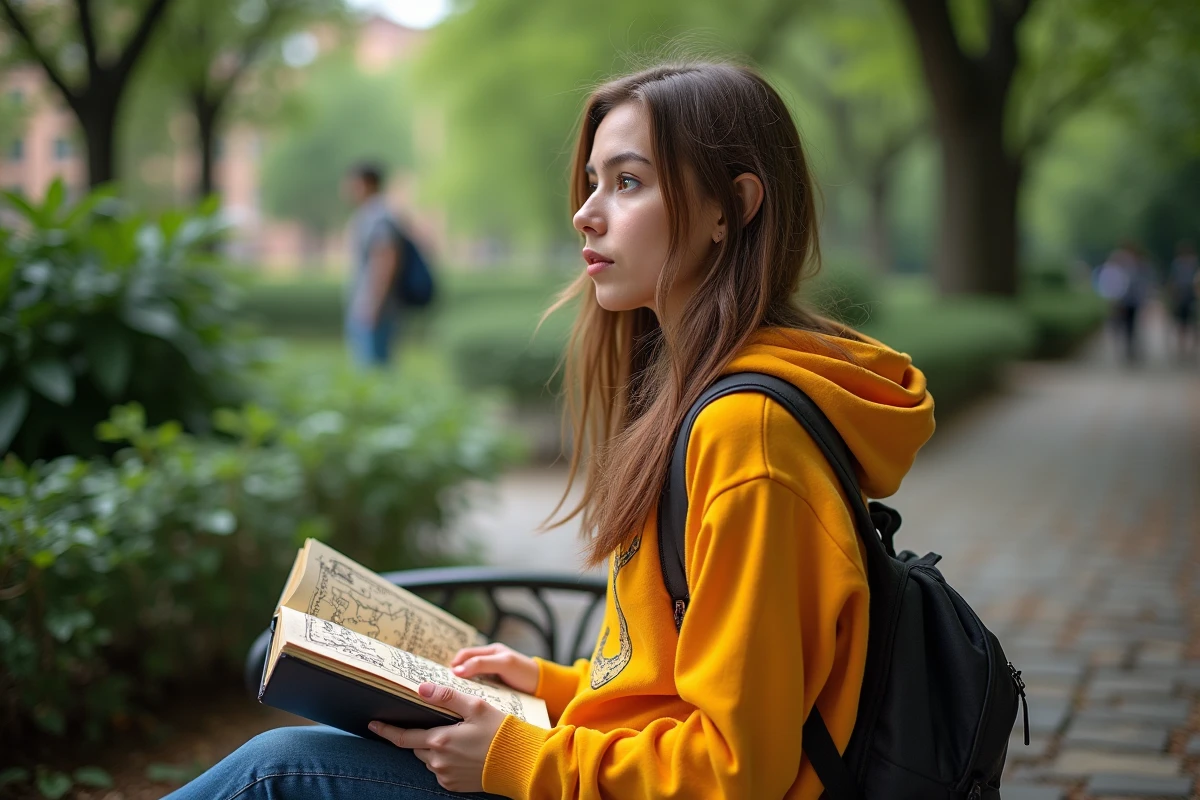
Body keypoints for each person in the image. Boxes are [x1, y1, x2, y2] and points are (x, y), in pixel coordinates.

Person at [164, 61, 935, 799]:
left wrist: (514, 754)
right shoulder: (698, 395)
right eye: (594, 181)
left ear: (731, 209)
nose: (585, 211)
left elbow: (738, 770)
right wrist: (548, 684)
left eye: (628, 182)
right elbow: (671, 686)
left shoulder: (746, 436)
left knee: (280, 771)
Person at [343, 162, 403, 367]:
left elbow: (386, 260)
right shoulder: (369, 215)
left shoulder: (378, 217)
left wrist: (374, 306)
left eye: (352, 183)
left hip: (373, 309)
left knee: (374, 371)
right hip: (365, 307)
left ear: (366, 183)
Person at [1168, 240, 1198, 359]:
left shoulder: (1193, 263)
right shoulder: (1177, 264)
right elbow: (1174, 281)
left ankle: (1191, 347)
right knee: (1181, 323)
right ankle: (1182, 346)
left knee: (1192, 323)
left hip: (1191, 296)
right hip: (1181, 297)